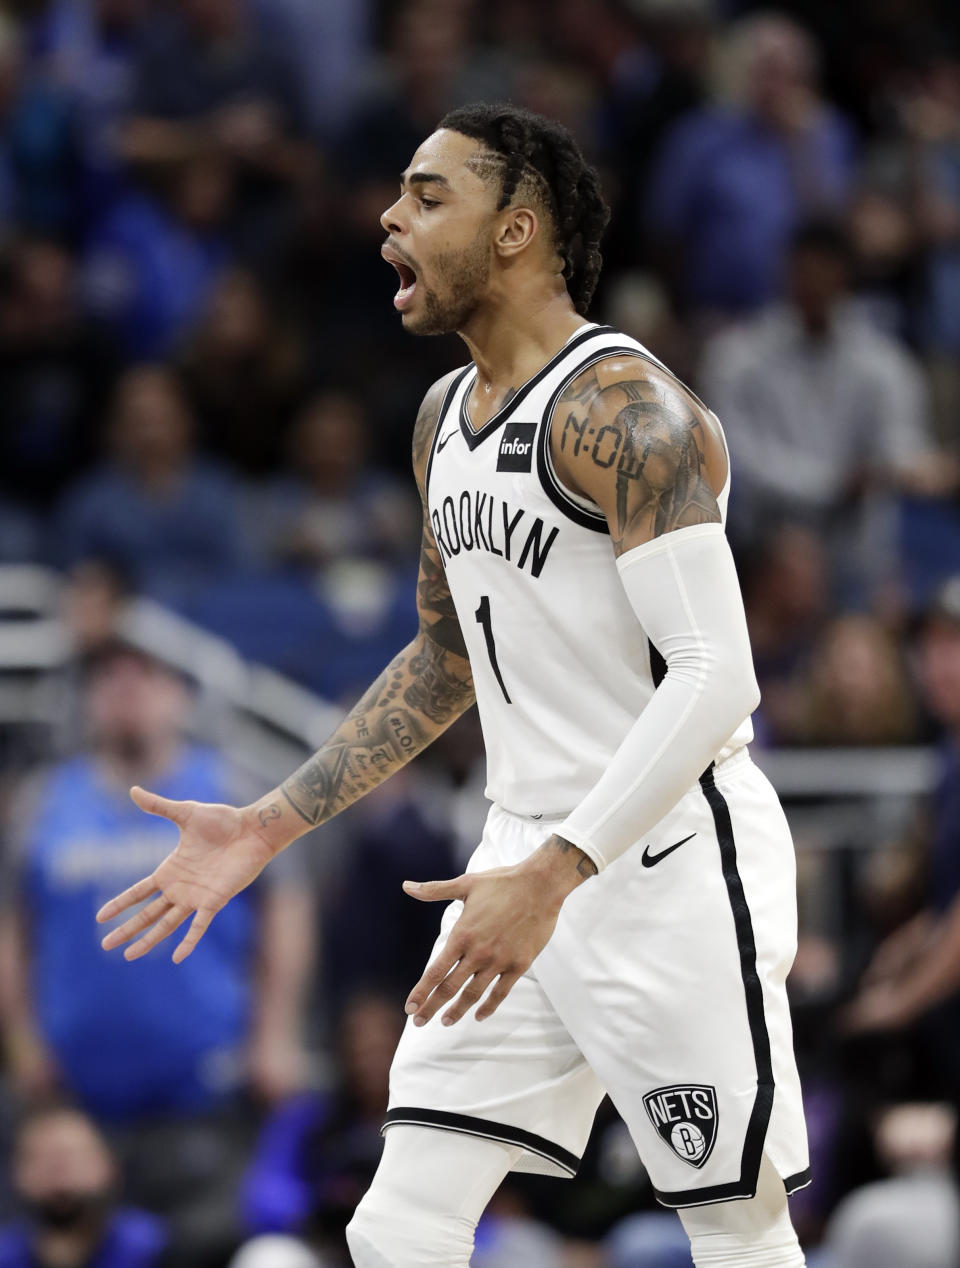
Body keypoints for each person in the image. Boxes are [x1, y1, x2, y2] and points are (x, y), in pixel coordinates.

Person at [97, 103, 810, 1267]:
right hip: (513, 856)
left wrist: (563, 865)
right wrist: (273, 819)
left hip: (659, 857)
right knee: (399, 1221)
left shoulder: (621, 410)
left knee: (734, 1225)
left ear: (518, 229)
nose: (392, 214)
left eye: (429, 196)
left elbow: (720, 671)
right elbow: (442, 657)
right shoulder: (443, 421)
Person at [0, 641, 313, 1261]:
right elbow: (12, 928)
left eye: (144, 677)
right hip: (76, 1094)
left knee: (207, 1245)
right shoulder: (43, 802)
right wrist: (22, 1042)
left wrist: (275, 1033)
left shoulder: (229, 791)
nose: (126, 692)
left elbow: (286, 909)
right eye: (108, 680)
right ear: (87, 701)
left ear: (180, 695)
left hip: (206, 1086)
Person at [0, 1104, 169, 1268]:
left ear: (110, 1166)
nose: (59, 1173)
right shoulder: (5, 1256)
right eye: (40, 1159)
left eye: (71, 1157)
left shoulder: (160, 1249)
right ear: (15, 1174)